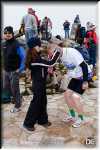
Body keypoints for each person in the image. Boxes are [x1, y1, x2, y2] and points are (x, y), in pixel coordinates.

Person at [23, 37, 61, 131]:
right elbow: (51, 62)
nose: (40, 46)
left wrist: (50, 69)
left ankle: (42, 120)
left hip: (41, 83)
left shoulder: (38, 57)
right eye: (38, 45)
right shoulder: (35, 59)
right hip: (38, 84)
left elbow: (45, 66)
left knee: (43, 101)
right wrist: (58, 51)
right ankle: (28, 123)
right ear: (34, 47)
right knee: (36, 103)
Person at [60, 45, 92, 128]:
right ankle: (73, 116)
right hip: (76, 77)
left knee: (75, 97)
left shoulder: (72, 52)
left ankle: (81, 119)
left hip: (85, 76)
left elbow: (84, 66)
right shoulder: (60, 55)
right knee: (67, 94)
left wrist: (85, 81)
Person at [2, 26, 26, 113]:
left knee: (14, 88)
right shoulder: (4, 44)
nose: (7, 35)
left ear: (12, 34)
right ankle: (19, 98)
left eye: (9, 33)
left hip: (14, 70)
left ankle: (17, 106)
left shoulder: (16, 44)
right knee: (6, 88)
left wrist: (20, 69)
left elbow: (24, 57)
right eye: (6, 33)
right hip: (5, 70)